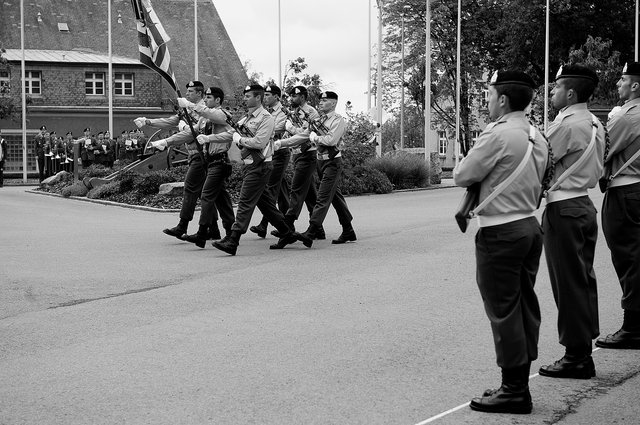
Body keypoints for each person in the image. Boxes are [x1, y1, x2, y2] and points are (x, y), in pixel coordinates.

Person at [453, 70, 550, 414]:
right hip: (528, 225)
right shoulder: (536, 134)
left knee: (504, 310)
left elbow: (462, 175)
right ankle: (519, 380)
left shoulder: (497, 135)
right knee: (524, 305)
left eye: (490, 95)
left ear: (503, 99)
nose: (487, 100)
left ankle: (514, 390)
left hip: (501, 232)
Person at [538, 65, 605, 379]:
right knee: (582, 281)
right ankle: (582, 349)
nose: (551, 92)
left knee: (569, 285)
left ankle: (576, 356)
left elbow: (538, 162)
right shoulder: (594, 122)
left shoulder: (565, 124)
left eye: (555, 87)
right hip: (583, 206)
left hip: (563, 208)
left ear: (570, 92)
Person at [212, 84, 308, 256]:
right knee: (267, 206)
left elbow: (259, 143)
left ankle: (233, 239)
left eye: (248, 96)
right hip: (250, 165)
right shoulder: (246, 118)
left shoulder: (266, 118)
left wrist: (239, 140)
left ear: (258, 97)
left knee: (245, 201)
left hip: (260, 165)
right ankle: (288, 233)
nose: (244, 98)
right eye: (245, 96)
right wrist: (208, 138)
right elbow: (232, 133)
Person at [136, 80, 224, 240]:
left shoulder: (205, 111)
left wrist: (167, 141)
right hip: (194, 154)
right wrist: (148, 121)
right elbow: (172, 121)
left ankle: (182, 226)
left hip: (201, 155)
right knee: (204, 194)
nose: (187, 94)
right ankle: (214, 229)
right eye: (187, 91)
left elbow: (192, 133)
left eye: (191, 91)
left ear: (199, 93)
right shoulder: (187, 108)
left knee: (190, 188)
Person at [596, 62, 640, 350]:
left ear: (635, 86)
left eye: (622, 80)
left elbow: (601, 150)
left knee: (628, 257)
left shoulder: (626, 117)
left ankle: (633, 326)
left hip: (626, 190)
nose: (617, 85)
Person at [178, 86, 236, 248]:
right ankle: (231, 232)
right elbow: (193, 132)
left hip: (220, 161)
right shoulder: (205, 118)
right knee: (222, 200)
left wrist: (190, 105)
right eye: (206, 97)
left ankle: (202, 233)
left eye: (209, 97)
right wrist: (170, 137)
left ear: (218, 100)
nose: (207, 99)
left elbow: (211, 116)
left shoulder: (223, 114)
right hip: (210, 162)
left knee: (206, 195)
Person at [297, 91, 356, 244]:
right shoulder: (319, 120)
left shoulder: (338, 120)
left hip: (332, 162)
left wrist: (314, 137)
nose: (321, 103)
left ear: (334, 103)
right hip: (320, 161)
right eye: (320, 100)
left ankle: (312, 231)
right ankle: (348, 230)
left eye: (325, 100)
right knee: (335, 196)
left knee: (322, 197)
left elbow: (330, 140)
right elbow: (306, 134)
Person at [274, 85, 324, 239]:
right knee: (310, 195)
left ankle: (287, 225)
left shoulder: (311, 112)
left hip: (307, 153)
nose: (291, 99)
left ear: (302, 97)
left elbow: (307, 134)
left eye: (294, 97)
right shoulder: (293, 112)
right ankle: (318, 229)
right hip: (296, 153)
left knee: (295, 190)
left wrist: (291, 129)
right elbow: (281, 128)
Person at [249, 84, 292, 238]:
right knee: (281, 189)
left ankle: (265, 224)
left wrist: (263, 130)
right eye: (264, 95)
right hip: (270, 153)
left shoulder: (283, 112)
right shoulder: (265, 112)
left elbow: (278, 128)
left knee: (271, 188)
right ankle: (288, 222)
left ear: (276, 97)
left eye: (268, 95)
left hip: (280, 152)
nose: (265, 97)